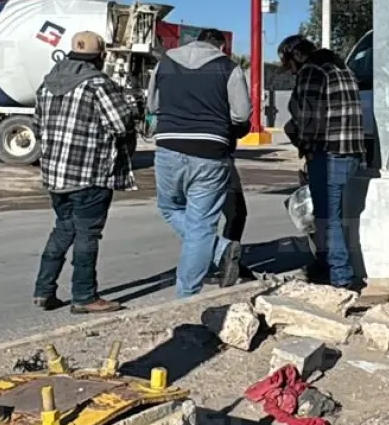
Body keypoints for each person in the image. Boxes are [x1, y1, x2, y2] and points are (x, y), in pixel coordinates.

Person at [32, 31, 138, 314]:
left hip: (56, 174)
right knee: (87, 235)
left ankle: (44, 291)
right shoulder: (97, 84)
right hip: (90, 173)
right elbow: (121, 124)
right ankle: (84, 295)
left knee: (63, 228)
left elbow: (38, 125)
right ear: (99, 56)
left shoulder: (48, 83)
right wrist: (130, 106)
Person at [148, 28, 251, 297]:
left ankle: (218, 250)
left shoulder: (165, 63)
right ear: (219, 45)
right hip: (210, 152)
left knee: (170, 208)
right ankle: (187, 295)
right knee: (201, 226)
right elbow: (241, 115)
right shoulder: (228, 68)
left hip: (168, 148)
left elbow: (152, 106)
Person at [279, 35, 365, 291]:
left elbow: (308, 117)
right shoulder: (341, 67)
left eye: (289, 65)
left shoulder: (312, 70)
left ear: (296, 56)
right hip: (351, 152)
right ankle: (328, 264)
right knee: (336, 216)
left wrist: (306, 148)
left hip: (328, 154)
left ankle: (339, 278)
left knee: (327, 218)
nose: (291, 72)